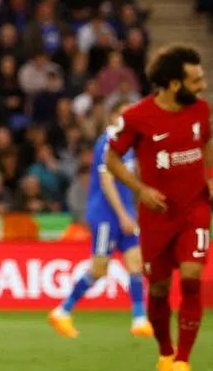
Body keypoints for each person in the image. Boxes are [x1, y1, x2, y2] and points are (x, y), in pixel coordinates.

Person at [104, 45, 213, 371]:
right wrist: (141, 189)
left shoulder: (200, 110)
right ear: (173, 84)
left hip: (194, 210)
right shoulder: (138, 117)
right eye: (196, 80)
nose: (203, 86)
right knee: (158, 289)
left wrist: (212, 174)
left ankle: (184, 362)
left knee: (191, 278)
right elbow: (112, 161)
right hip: (157, 216)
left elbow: (206, 144)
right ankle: (166, 355)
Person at [48, 102, 152, 338]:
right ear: (113, 117)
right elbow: (106, 183)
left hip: (124, 211)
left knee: (136, 262)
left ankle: (139, 319)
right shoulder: (107, 143)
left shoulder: (129, 143)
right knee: (99, 268)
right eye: (125, 114)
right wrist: (123, 215)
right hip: (106, 214)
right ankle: (62, 311)